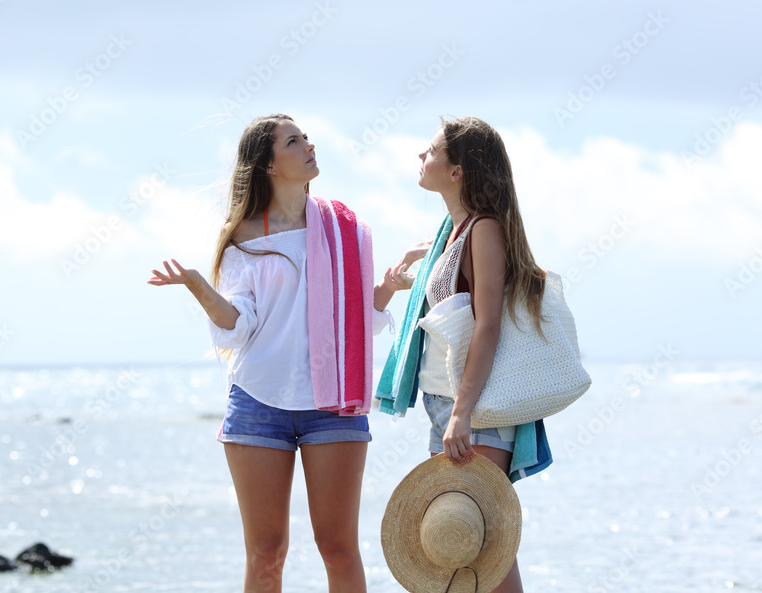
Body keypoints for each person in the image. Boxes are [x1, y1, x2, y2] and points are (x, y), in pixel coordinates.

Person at [147, 113, 407, 593]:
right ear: (268, 164)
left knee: (339, 549)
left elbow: (354, 318)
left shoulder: (342, 227)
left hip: (332, 406)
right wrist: (198, 287)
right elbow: (237, 325)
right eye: (293, 141)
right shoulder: (242, 236)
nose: (309, 145)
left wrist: (387, 288)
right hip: (258, 404)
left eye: (306, 136)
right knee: (266, 555)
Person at [377, 116, 554, 593]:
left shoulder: (483, 230)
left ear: (457, 171)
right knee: (463, 554)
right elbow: (455, 308)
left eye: (431, 150)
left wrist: (462, 413)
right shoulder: (452, 232)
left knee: (484, 550)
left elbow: (488, 325)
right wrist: (413, 276)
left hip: (474, 407)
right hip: (449, 404)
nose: (421, 156)